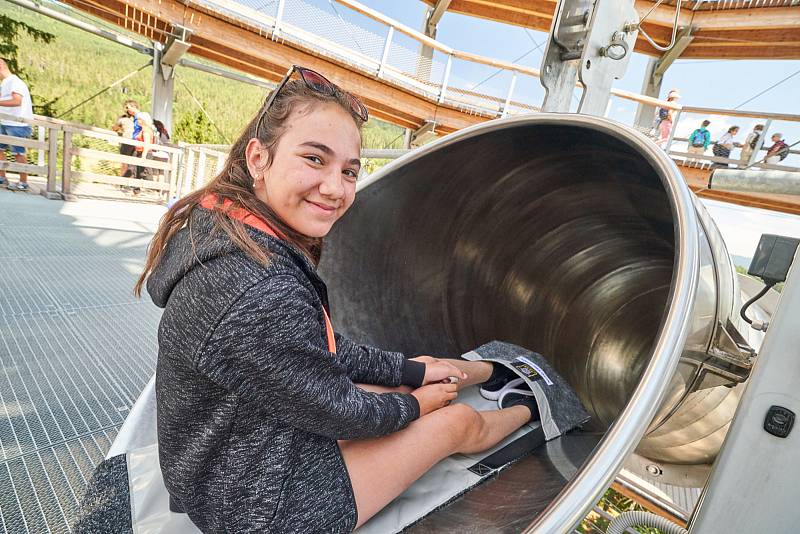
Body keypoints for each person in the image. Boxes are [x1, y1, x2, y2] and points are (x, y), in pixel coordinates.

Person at [133, 65, 539, 533]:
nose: (335, 188)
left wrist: (413, 372)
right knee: (456, 423)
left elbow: (317, 354)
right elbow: (340, 410)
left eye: (349, 170)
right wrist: (420, 405)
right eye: (314, 159)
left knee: (414, 375)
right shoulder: (256, 288)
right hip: (256, 511)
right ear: (258, 157)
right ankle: (535, 401)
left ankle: (492, 370)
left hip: (222, 462)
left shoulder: (223, 231)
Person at [0, 58, 34, 191]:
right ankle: (2, 178)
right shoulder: (5, 83)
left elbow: (16, 101)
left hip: (17, 124)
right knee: (0, 150)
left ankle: (23, 182)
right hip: (4, 121)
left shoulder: (14, 81)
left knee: (18, 153)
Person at [111, 113, 135, 177]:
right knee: (130, 163)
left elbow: (114, 128)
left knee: (124, 162)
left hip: (126, 141)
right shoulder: (132, 121)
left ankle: (122, 181)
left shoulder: (122, 120)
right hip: (134, 142)